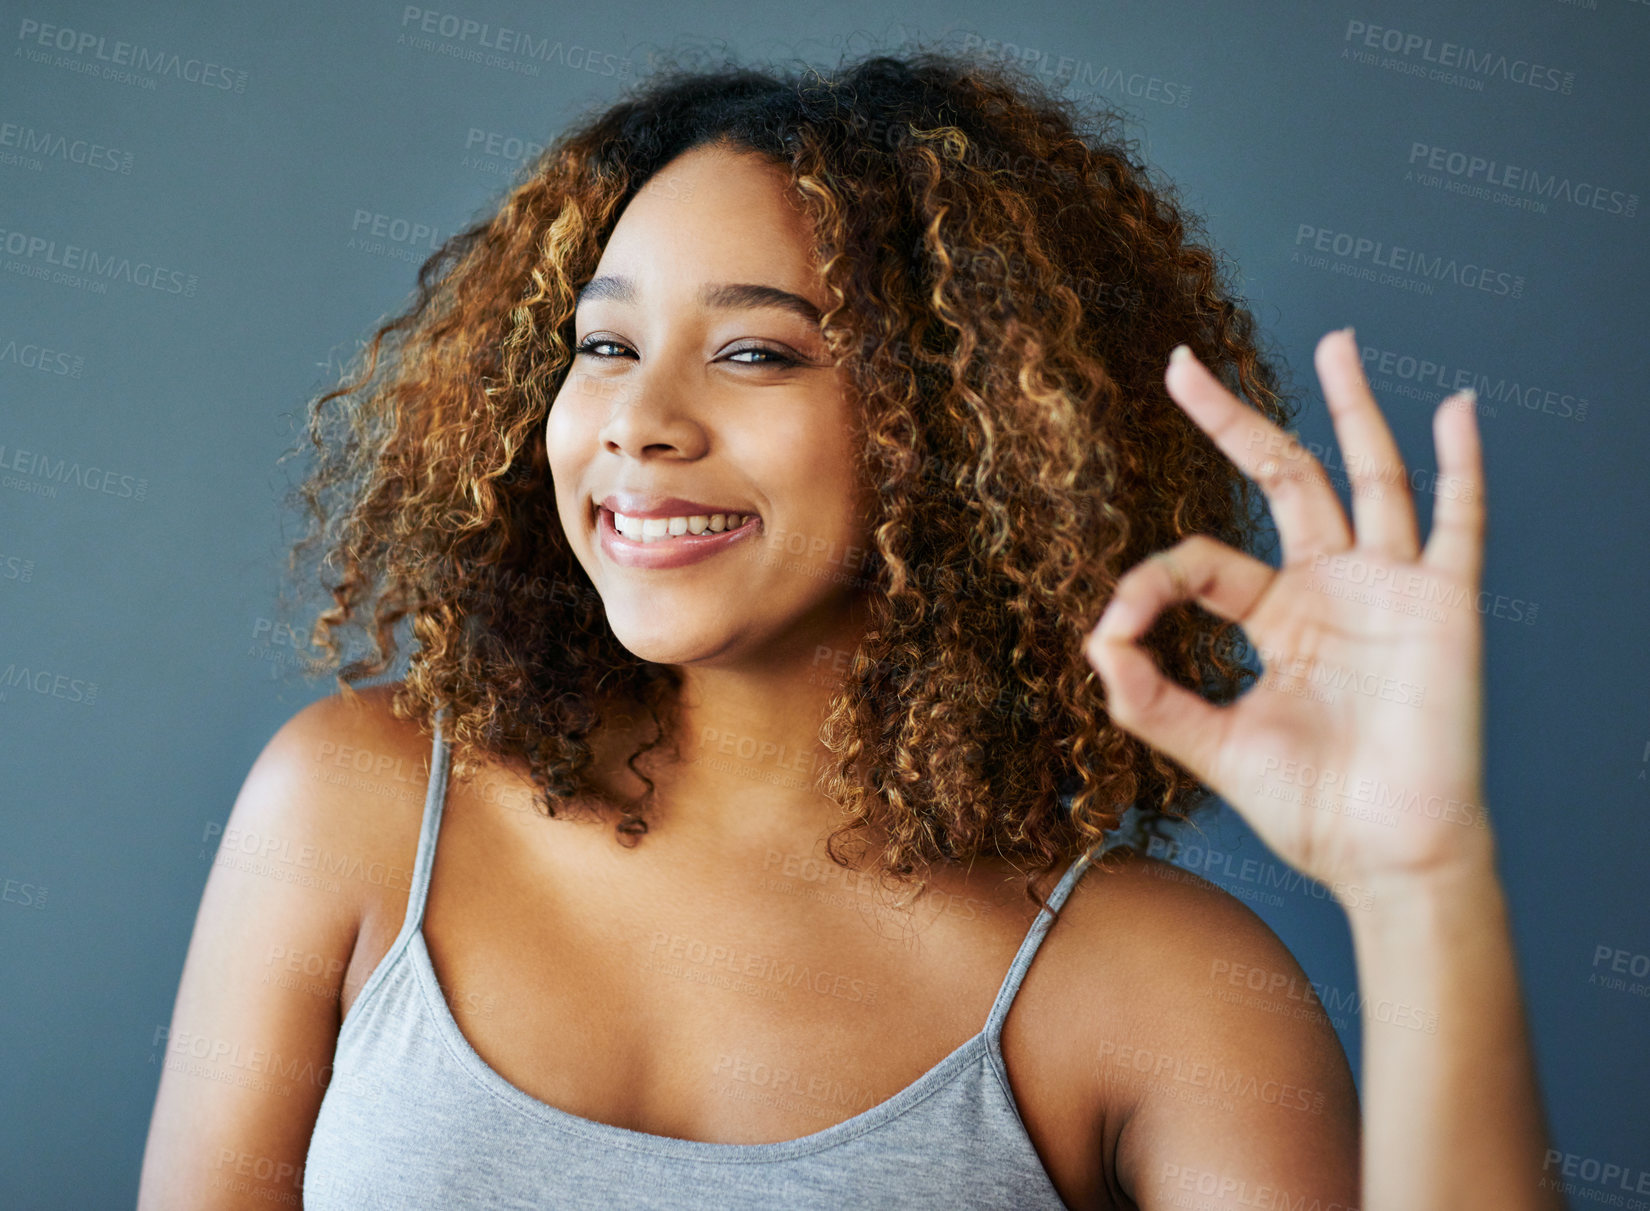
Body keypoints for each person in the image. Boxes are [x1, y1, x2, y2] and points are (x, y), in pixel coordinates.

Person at [140, 50, 1559, 1210]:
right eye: (604, 345)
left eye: (756, 350)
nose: (639, 418)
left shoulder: (1158, 987)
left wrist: (1417, 882)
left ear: (960, 429)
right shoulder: (359, 801)